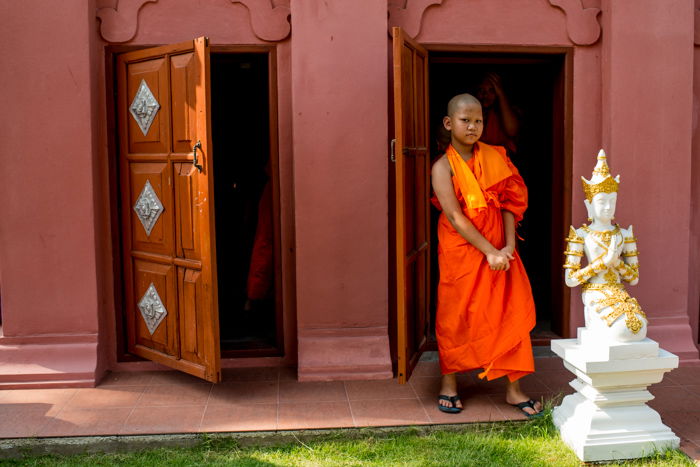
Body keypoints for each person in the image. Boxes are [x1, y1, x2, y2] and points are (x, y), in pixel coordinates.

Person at [430, 93, 541, 417]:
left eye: (478, 120)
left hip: (500, 250)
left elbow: (510, 203)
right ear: (450, 123)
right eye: (466, 120)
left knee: (509, 312)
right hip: (462, 250)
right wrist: (490, 251)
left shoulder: (497, 157)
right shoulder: (442, 167)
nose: (473, 126)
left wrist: (508, 247)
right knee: (456, 314)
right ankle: (449, 385)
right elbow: (455, 217)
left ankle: (513, 389)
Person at [563, 150, 646, 342]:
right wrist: (603, 262)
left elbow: (633, 279)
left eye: (612, 201)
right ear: (589, 204)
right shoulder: (581, 235)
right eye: (602, 202)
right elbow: (571, 279)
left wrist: (616, 263)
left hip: (619, 292)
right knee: (622, 331)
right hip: (595, 291)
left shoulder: (624, 234)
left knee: (637, 327)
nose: (608, 207)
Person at [476, 73, 520, 156]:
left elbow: (512, 130)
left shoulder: (506, 113)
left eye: (491, 90)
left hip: (500, 164)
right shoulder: (470, 113)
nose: (485, 95)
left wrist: (500, 93)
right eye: (481, 90)